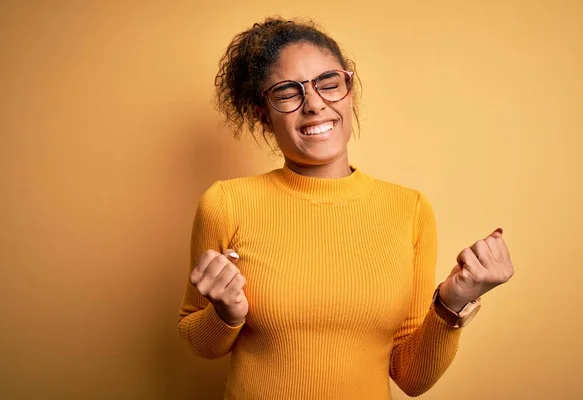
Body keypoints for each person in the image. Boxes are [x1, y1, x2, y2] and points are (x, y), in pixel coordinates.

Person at [178, 17, 514, 399]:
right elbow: (200, 342)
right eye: (288, 92)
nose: (315, 104)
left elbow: (411, 378)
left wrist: (453, 303)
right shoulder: (226, 203)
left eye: (329, 83)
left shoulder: (410, 209)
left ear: (348, 90)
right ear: (262, 113)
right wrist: (225, 315)